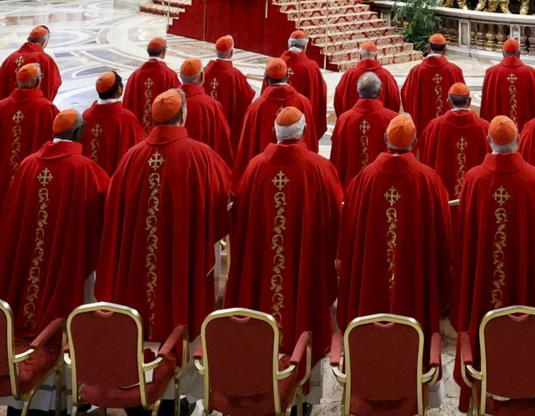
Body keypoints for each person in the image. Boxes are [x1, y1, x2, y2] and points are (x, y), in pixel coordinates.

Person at [99, 91, 234, 351]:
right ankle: (180, 371)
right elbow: (223, 203)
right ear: (183, 116)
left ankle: (135, 358)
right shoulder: (200, 155)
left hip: (138, 257)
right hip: (183, 255)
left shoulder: (132, 157)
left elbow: (115, 209)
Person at [227, 106, 342, 395]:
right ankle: (303, 392)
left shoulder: (255, 168)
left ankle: (259, 381)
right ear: (303, 132)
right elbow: (336, 219)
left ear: (275, 134)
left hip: (262, 267)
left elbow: (239, 224)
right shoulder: (319, 168)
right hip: (305, 268)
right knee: (305, 310)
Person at [451, 116, 535, 408]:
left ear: (488, 142)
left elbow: (464, 240)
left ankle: (485, 376)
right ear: (518, 141)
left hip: (484, 284)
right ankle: (527, 379)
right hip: (526, 279)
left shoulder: (474, 179)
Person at [0, 109, 109, 335]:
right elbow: (103, 213)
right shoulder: (85, 169)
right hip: (65, 252)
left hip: (28, 251)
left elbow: (12, 214)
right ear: (78, 133)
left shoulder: (28, 164)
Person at [337, 114, 450, 338]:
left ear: (385, 140)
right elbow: (443, 231)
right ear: (415, 141)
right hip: (413, 269)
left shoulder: (365, 177)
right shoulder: (427, 179)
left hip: (372, 265)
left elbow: (349, 224)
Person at [0, 62, 57, 192]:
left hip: (3, 174)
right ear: (38, 82)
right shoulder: (47, 109)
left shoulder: (0, 107)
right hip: (33, 174)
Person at [236, 58, 320, 158]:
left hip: (265, 169)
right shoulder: (303, 102)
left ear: (266, 81)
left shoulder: (255, 107)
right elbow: (311, 141)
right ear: (287, 78)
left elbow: (246, 147)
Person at [422, 81, 491, 194]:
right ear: (469, 101)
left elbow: (425, 155)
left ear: (448, 102)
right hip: (475, 193)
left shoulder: (435, 125)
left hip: (444, 194)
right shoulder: (485, 127)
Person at [330, 71, 398, 185]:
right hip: (382, 187)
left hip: (350, 186)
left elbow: (337, 156)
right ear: (380, 91)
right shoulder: (392, 119)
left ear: (357, 91)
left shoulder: (344, 120)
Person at [81, 71, 145, 174]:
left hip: (88, 179)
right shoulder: (126, 118)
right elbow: (137, 152)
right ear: (119, 90)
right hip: (114, 181)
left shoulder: (86, 116)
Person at [401, 32, 464, 126]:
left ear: (428, 48)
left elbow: (406, 97)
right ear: (445, 50)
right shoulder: (455, 70)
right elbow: (463, 96)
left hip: (423, 128)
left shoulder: (416, 71)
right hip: (449, 127)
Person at [178, 58, 233, 159]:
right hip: (202, 160)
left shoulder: (171, 100)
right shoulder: (212, 105)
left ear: (180, 76)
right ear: (202, 76)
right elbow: (222, 140)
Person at [332, 39, 402, 119]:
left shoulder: (349, 75)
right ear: (376, 56)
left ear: (360, 56)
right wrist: (389, 119)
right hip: (381, 123)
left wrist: (344, 119)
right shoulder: (386, 75)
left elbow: (338, 99)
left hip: (352, 122)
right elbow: (394, 100)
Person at [0, 25, 60, 105]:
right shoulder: (45, 60)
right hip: (36, 108)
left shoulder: (10, 58)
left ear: (29, 39)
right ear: (43, 42)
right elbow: (53, 83)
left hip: (9, 109)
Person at [481, 37, 535, 127]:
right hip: (524, 132)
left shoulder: (491, 73)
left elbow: (487, 104)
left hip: (498, 132)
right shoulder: (532, 73)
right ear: (519, 54)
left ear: (503, 54)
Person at [126, 36, 180, 129]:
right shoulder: (170, 75)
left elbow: (127, 103)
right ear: (163, 53)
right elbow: (178, 103)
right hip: (161, 134)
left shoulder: (135, 76)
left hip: (139, 135)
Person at [202, 35, 255, 129]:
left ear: (215, 52)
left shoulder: (205, 72)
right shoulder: (236, 75)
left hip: (206, 123)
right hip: (226, 126)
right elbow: (247, 98)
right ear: (231, 53)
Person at [279, 30, 327, 116]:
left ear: (289, 44)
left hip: (279, 113)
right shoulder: (312, 67)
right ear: (305, 46)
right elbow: (320, 91)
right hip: (302, 115)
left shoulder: (276, 64)